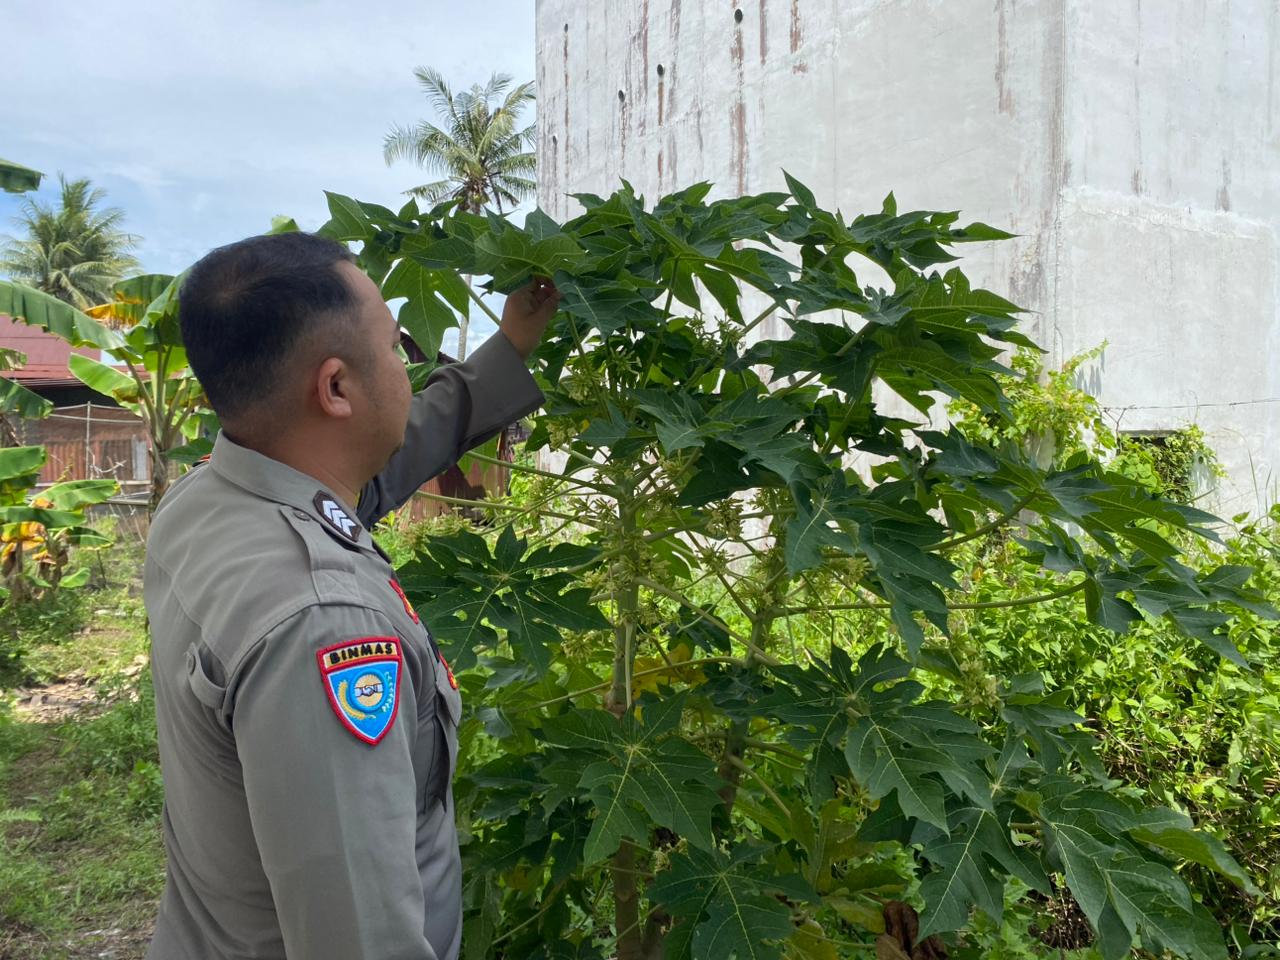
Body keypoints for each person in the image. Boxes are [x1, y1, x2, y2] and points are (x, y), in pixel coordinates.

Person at [143, 231, 559, 959]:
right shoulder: (326, 629)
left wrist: (510, 345)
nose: (408, 368)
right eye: (397, 349)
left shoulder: (209, 501)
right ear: (336, 387)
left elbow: (384, 460)